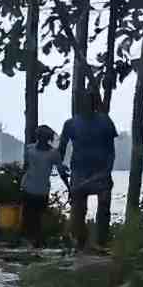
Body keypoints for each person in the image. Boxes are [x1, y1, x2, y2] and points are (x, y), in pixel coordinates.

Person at [60, 90, 117, 250]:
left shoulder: (105, 121)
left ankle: (101, 241)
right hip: (79, 171)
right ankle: (81, 241)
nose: (87, 104)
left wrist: (108, 169)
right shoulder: (70, 124)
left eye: (90, 101)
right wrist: (60, 167)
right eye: (84, 101)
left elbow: (111, 150)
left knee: (104, 205)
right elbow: (62, 149)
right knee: (78, 209)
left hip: (101, 171)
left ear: (94, 104)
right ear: (79, 104)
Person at [23, 125, 69, 248]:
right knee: (30, 216)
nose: (41, 139)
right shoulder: (30, 149)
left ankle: (37, 241)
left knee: (37, 216)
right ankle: (33, 241)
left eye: (43, 137)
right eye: (40, 136)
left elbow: (61, 172)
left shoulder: (53, 153)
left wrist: (68, 186)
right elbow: (26, 168)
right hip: (29, 187)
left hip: (41, 189)